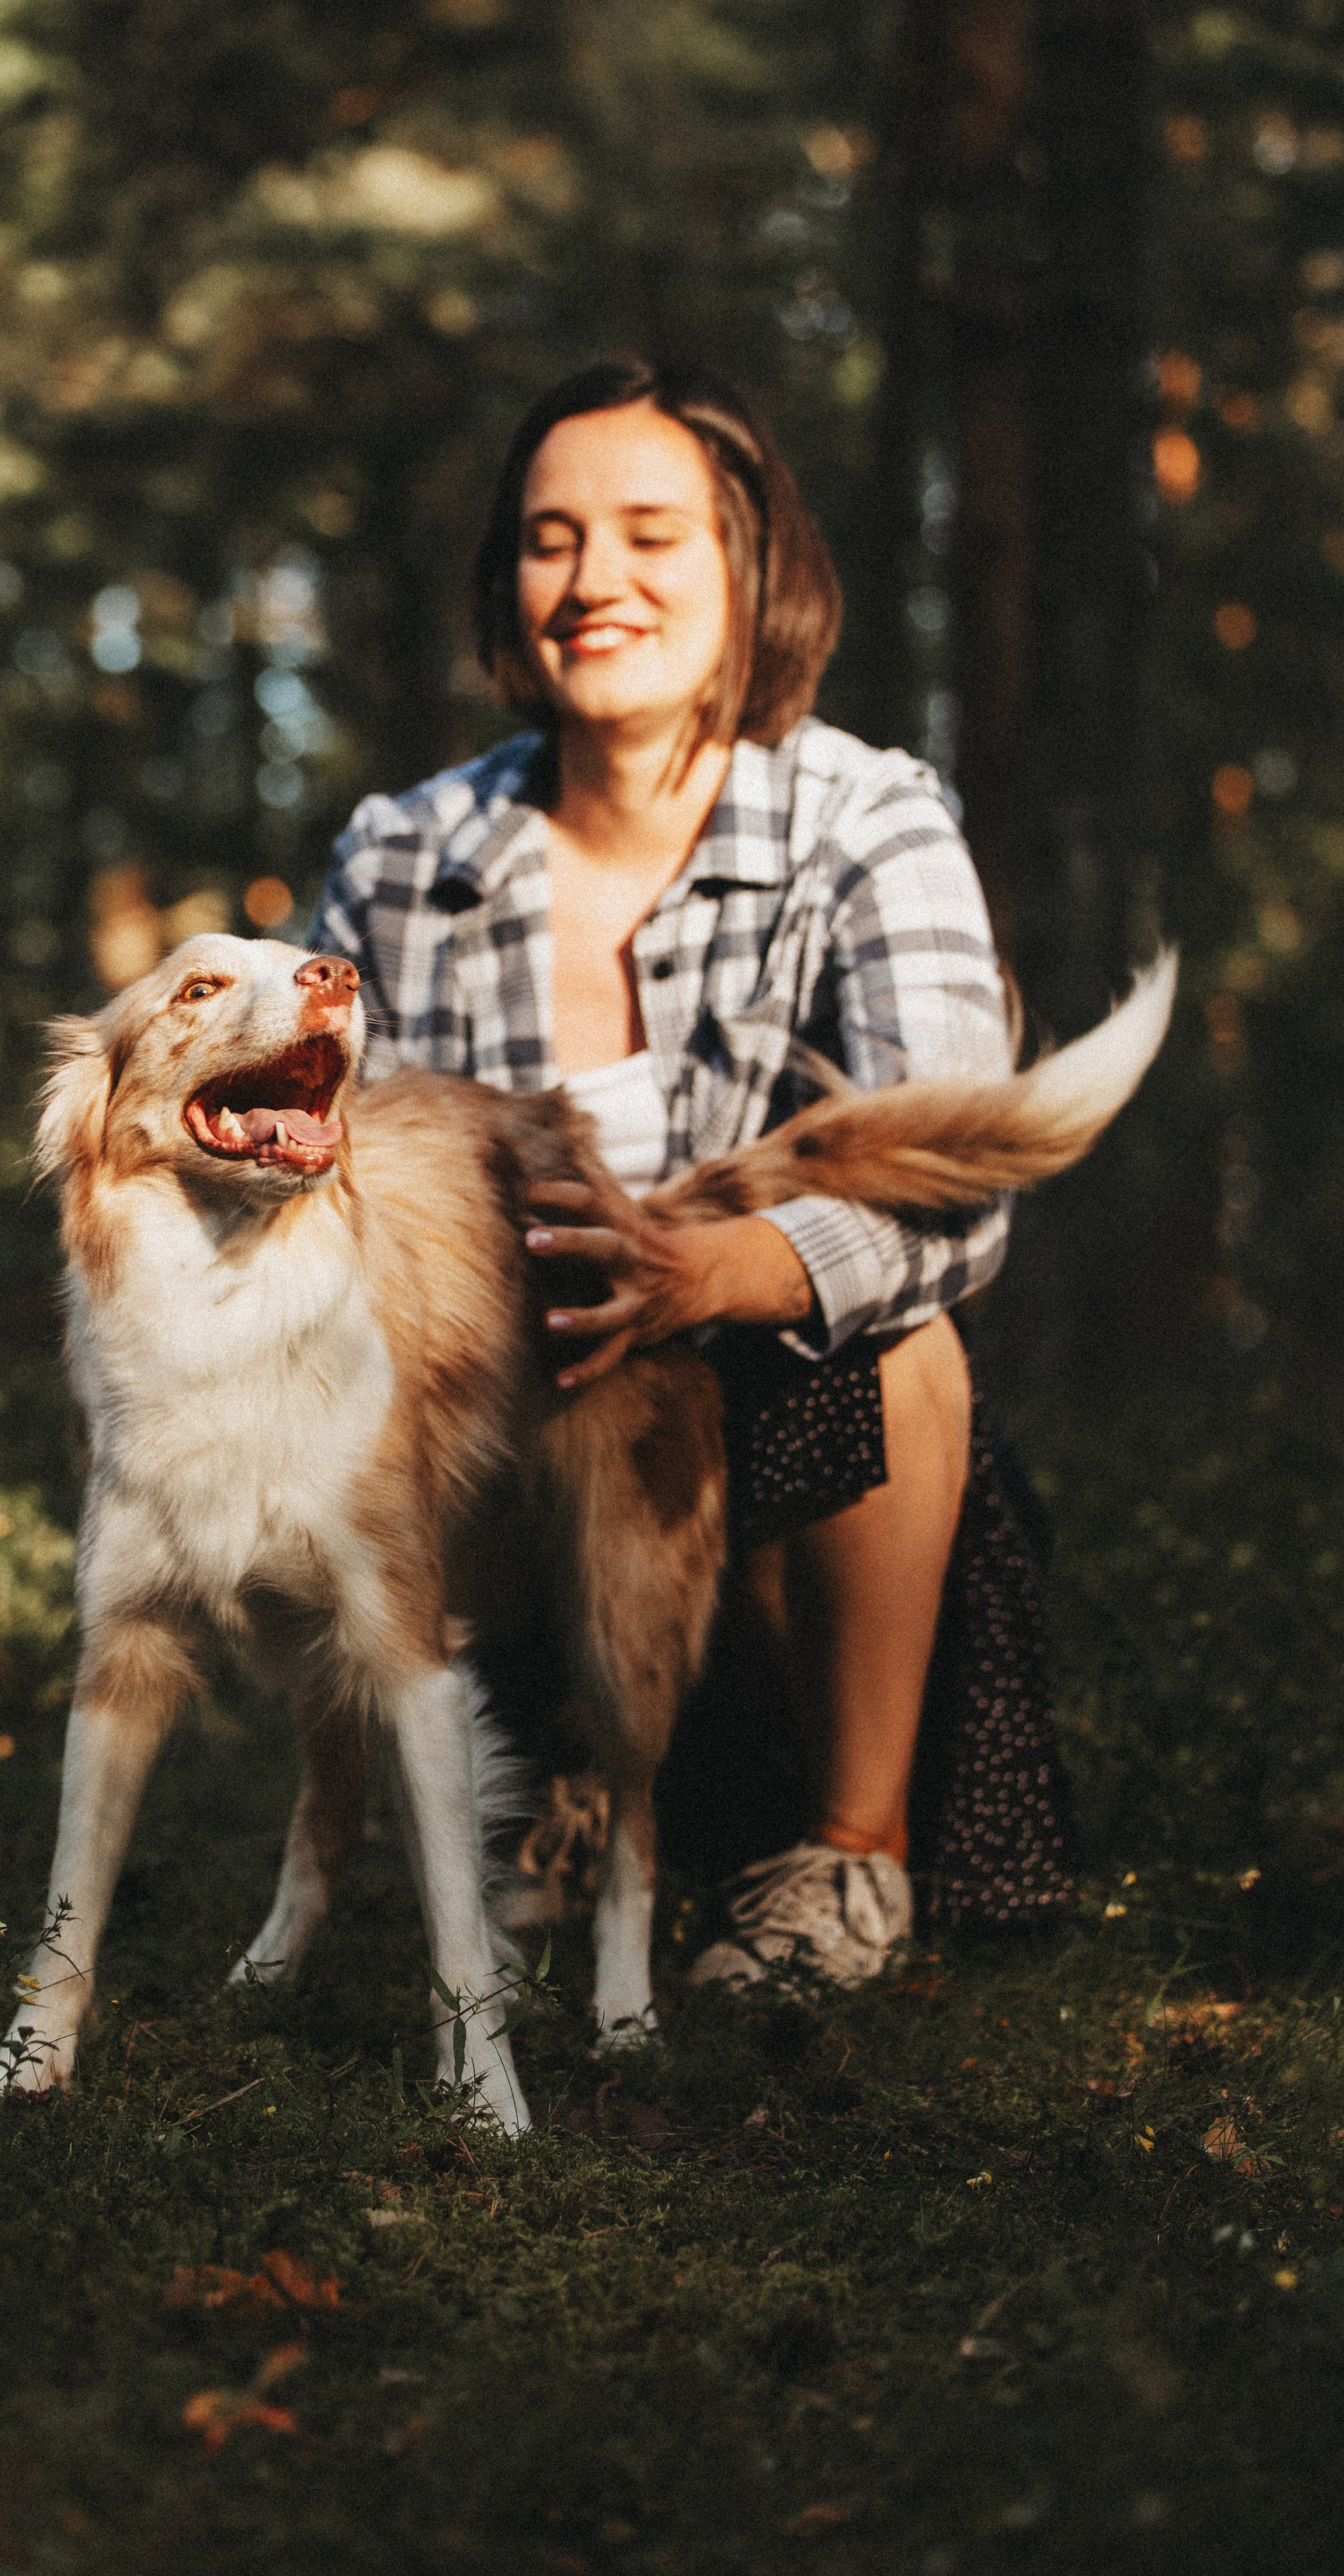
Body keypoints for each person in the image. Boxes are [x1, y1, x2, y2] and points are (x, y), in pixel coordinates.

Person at [311, 354, 1075, 1991]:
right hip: (513, 1486)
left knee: (899, 1333)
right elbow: (315, 1185)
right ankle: (554, 1800)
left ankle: (846, 1857)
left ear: (750, 566)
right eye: (549, 538)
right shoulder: (396, 854)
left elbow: (958, 1193)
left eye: (650, 534)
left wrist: (707, 1269)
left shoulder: (865, 820)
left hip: (805, 1513)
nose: (593, 581)